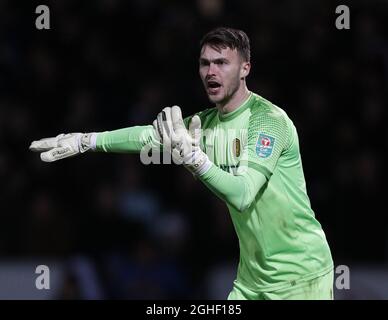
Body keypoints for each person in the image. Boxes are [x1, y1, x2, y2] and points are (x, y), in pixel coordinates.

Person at [30, 27, 334, 300]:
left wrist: (195, 160)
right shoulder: (206, 124)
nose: (211, 71)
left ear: (245, 68)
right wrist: (86, 141)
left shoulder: (268, 121)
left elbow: (243, 195)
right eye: (205, 63)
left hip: (301, 276)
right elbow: (148, 136)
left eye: (222, 63)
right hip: (253, 280)